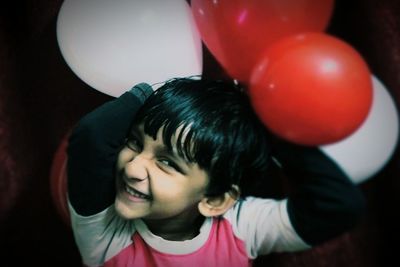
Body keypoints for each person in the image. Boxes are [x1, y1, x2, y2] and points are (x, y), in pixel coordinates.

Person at [67, 77, 366, 267]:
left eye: (167, 162)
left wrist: (266, 122)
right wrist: (154, 91)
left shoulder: (241, 228)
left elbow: (338, 204)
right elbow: (92, 136)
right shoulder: (106, 233)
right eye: (134, 142)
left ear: (216, 200)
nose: (132, 168)